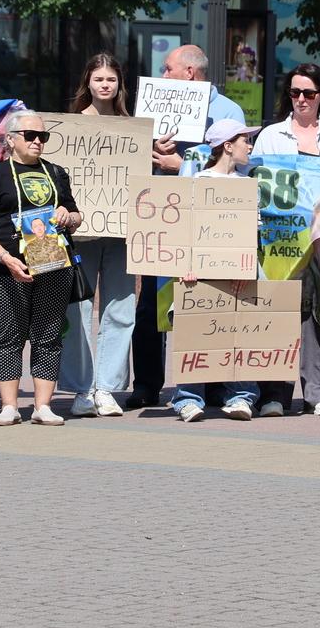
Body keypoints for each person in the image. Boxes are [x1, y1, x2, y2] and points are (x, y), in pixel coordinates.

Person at [129, 44, 246, 410]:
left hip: (208, 221)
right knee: (151, 301)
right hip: (163, 217)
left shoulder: (229, 111)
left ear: (190, 73)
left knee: (206, 301)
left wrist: (178, 163)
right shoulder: (154, 104)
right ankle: (147, 383)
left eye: (167, 69)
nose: (162, 76)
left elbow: (236, 166)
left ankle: (209, 384)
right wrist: (151, 146)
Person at [254, 64, 320, 415]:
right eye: (294, 92)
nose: (300, 99)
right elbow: (257, 184)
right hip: (281, 242)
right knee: (280, 314)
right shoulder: (270, 136)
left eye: (308, 93)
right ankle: (274, 395)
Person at [0, 111, 81, 425]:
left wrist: (67, 215)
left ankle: (43, 406)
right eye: (30, 135)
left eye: (43, 137)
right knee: (8, 334)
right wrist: (6, 259)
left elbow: (76, 218)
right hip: (6, 268)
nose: (37, 141)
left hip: (53, 264)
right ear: (11, 139)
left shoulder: (56, 173)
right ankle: (9, 405)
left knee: (48, 334)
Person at [59, 53, 138, 419]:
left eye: (111, 79)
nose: (105, 85)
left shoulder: (133, 128)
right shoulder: (70, 127)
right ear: (87, 83)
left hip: (123, 234)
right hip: (81, 234)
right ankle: (81, 388)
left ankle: (107, 388)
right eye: (98, 79)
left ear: (120, 84)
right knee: (77, 308)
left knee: (121, 311)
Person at [171, 117, 263, 422]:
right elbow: (183, 232)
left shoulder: (249, 187)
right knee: (195, 333)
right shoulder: (197, 184)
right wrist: (186, 266)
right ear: (227, 146)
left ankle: (241, 396)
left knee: (241, 333)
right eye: (244, 140)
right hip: (199, 275)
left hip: (239, 275)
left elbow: (252, 235)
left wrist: (245, 266)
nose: (249, 145)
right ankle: (187, 399)